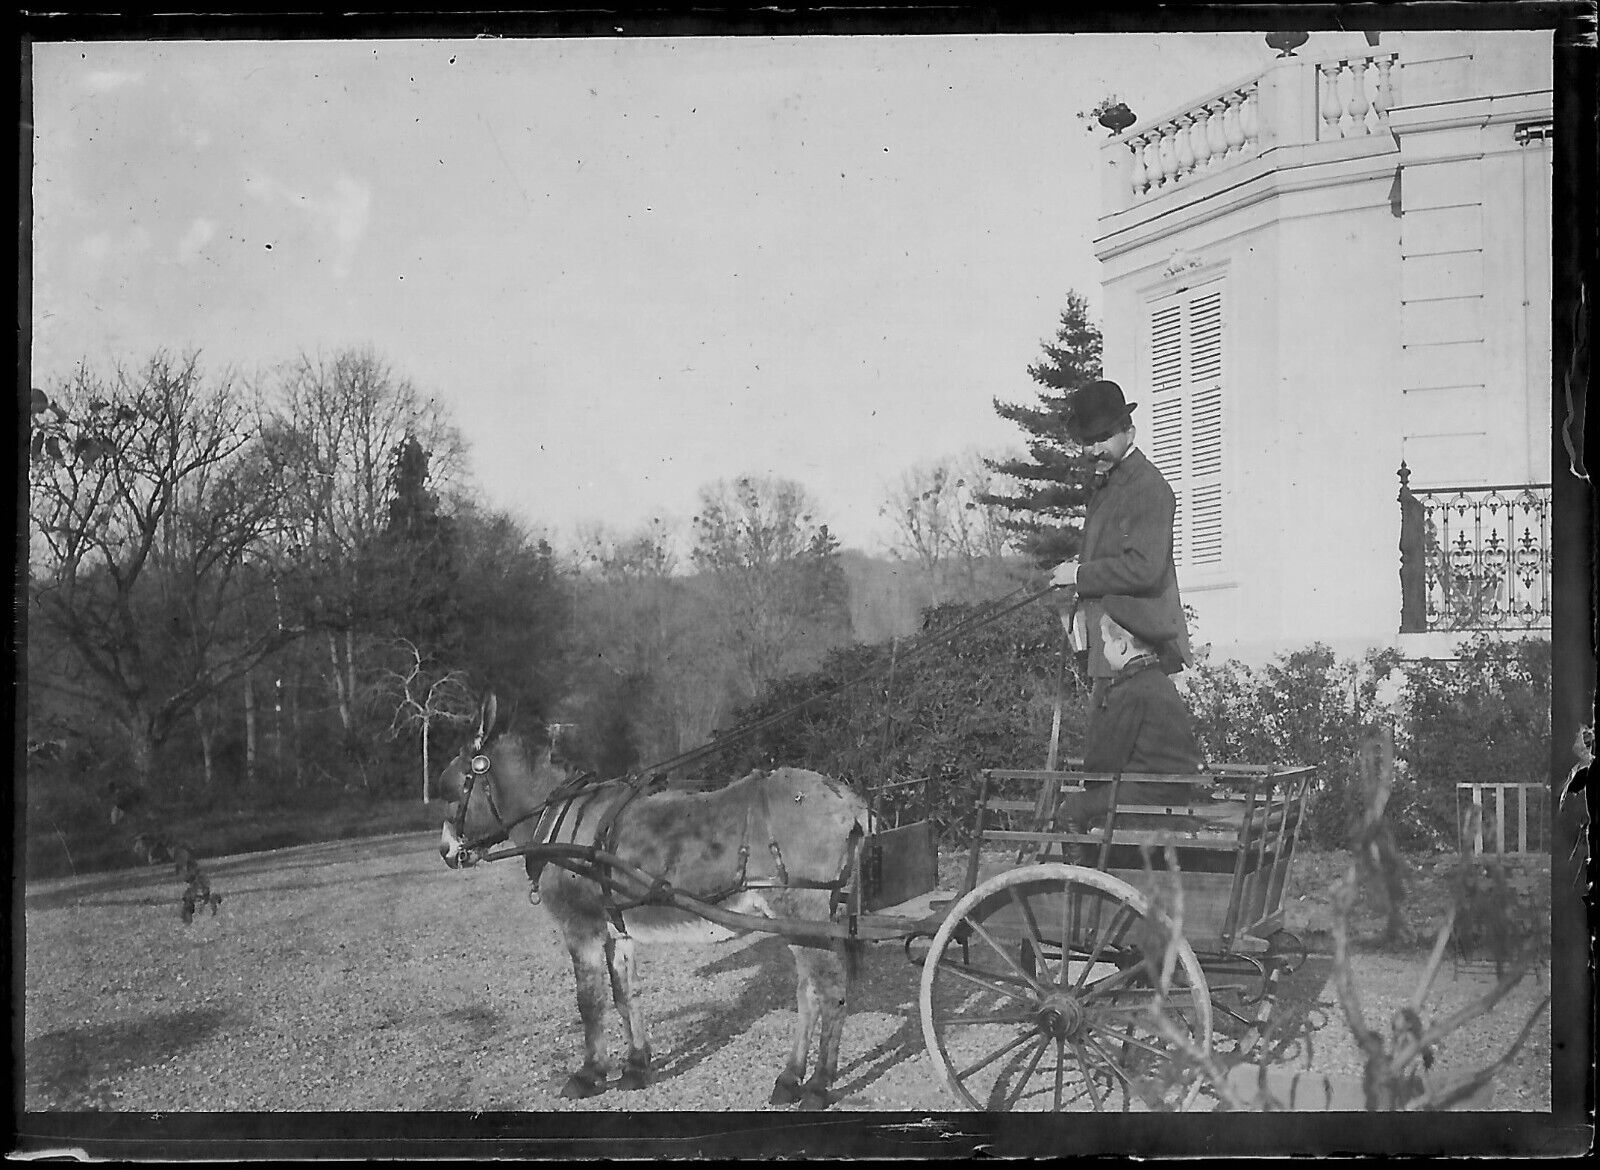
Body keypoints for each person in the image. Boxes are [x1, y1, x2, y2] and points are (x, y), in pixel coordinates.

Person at [1048, 379, 1191, 706]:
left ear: (1130, 432)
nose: (1094, 449)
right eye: (1087, 441)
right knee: (1108, 751)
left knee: (1121, 753)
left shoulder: (1147, 488)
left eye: (1103, 437)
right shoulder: (1109, 487)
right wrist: (1075, 571)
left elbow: (1145, 569)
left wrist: (1079, 575)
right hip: (1111, 654)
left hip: (1140, 654)